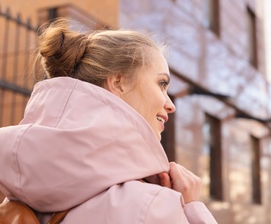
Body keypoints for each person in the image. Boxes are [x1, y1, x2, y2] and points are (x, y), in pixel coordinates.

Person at [0, 19, 217, 223]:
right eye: (161, 83)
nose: (171, 104)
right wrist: (192, 207)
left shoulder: (15, 195)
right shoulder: (151, 207)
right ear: (118, 82)